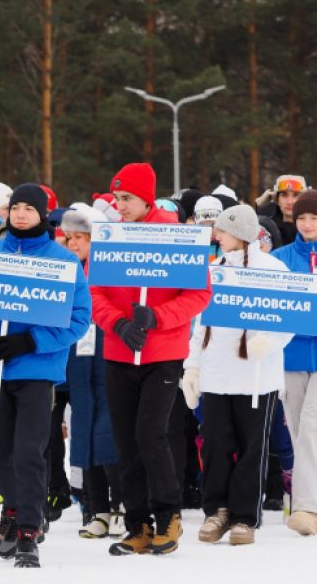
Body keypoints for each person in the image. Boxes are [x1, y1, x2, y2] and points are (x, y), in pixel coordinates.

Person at [0, 184, 92, 568]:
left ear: (41, 215)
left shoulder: (62, 262)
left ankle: (30, 529)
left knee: (28, 451)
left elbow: (78, 318)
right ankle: (15, 509)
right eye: (14, 208)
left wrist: (30, 341)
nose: (19, 214)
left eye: (27, 209)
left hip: (36, 370)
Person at [91, 163, 211, 556]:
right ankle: (137, 524)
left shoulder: (176, 237)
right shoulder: (109, 237)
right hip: (120, 352)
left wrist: (158, 317)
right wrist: (120, 325)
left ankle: (167, 514)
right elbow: (95, 293)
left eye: (126, 199)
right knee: (125, 440)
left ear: (145, 198)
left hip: (163, 353)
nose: (119, 205)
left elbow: (198, 294)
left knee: (151, 435)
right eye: (117, 198)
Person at [182, 205, 292, 545]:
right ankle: (217, 510)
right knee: (215, 444)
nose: (216, 236)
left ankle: (245, 516)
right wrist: (193, 366)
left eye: (222, 231)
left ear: (241, 234)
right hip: (217, 373)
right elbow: (202, 324)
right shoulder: (215, 270)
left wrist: (269, 342)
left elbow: (291, 316)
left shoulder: (274, 269)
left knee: (251, 448)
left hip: (256, 376)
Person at [62, 205, 123, 539]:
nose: (73, 244)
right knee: (84, 435)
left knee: (108, 434)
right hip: (79, 360)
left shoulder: (110, 270)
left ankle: (121, 505)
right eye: (69, 238)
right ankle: (96, 507)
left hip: (110, 357)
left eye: (80, 238)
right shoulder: (70, 271)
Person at [273, 190, 317, 535]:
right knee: (299, 429)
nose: (306, 224)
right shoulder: (281, 259)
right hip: (290, 356)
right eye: (301, 218)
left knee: (312, 427)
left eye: (313, 218)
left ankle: (305, 507)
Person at [257, 175, 306, 247]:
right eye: (284, 195)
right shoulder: (264, 230)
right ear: (277, 200)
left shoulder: (313, 230)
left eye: (295, 195)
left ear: (303, 199)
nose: (289, 202)